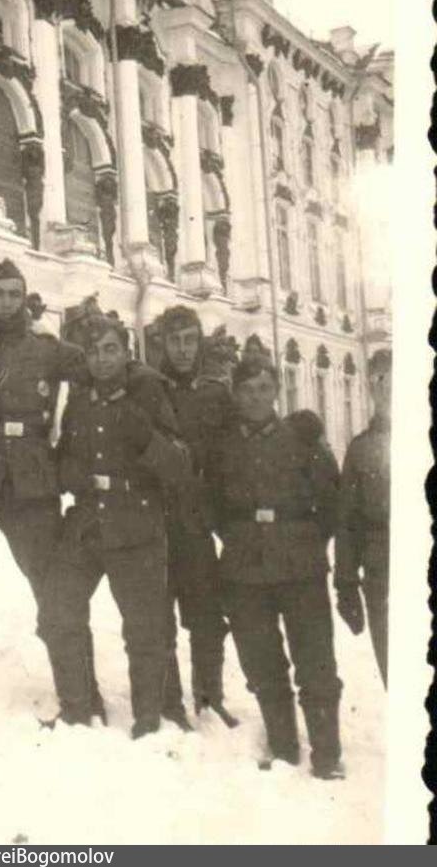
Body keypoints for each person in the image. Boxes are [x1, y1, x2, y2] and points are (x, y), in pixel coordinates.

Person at [0, 259, 108, 721]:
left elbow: (103, 370)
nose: (7, 302)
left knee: (55, 591)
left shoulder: (47, 349)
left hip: (30, 480)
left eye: (14, 293)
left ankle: (82, 701)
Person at [39, 314, 190, 739]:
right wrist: (71, 475)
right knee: (56, 610)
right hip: (88, 523)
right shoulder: (82, 402)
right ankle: (76, 708)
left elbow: (179, 466)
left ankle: (148, 719)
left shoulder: (148, 394)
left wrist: (146, 438)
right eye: (93, 352)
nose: (102, 360)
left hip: (135, 523)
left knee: (144, 628)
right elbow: (66, 454)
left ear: (126, 352)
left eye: (110, 350)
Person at [207, 354, 344, 779]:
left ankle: (327, 754)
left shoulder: (303, 443)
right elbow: (212, 506)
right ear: (235, 395)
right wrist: (243, 538)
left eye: (264, 389)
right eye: (246, 391)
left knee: (315, 660)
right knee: (262, 661)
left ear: (277, 392)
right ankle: (284, 747)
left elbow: (331, 504)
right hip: (245, 570)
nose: (255, 398)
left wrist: (302, 540)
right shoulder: (223, 446)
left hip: (300, 565)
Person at [152, 305, 237, 730]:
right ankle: (170, 704)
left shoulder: (216, 395)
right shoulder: (148, 390)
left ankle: (209, 698)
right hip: (158, 523)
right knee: (159, 618)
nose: (183, 350)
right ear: (162, 344)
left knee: (206, 616)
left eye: (190, 341)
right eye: (175, 341)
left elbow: (228, 458)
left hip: (198, 523)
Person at [335, 348, 392, 687]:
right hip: (381, 574)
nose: (386, 388)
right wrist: (346, 585)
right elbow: (347, 522)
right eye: (378, 380)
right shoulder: (360, 449)